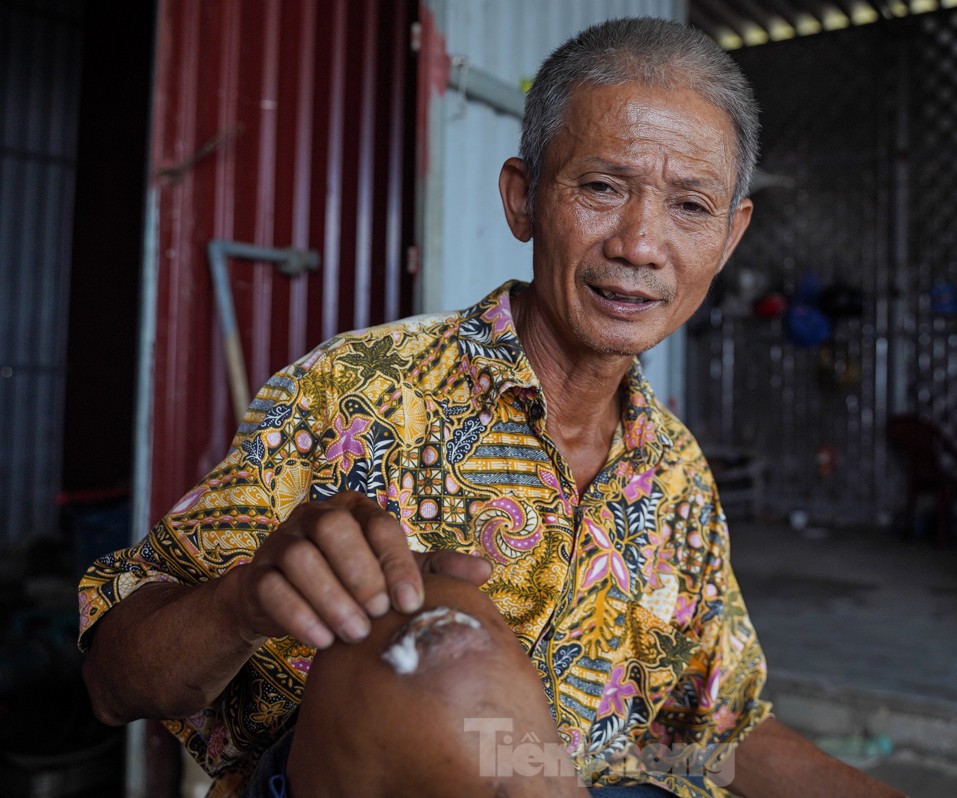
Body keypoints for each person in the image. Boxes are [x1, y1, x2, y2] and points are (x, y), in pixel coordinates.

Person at [78, 17, 904, 798]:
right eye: (602, 187)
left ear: (727, 238)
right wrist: (245, 597)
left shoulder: (676, 474)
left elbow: (707, 736)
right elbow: (114, 683)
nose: (641, 245)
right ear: (523, 199)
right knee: (443, 636)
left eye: (690, 206)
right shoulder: (363, 392)